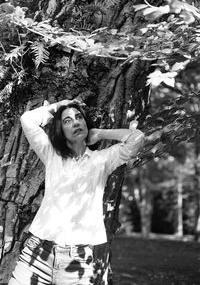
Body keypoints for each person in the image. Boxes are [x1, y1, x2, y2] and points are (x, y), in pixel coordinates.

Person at [8, 98, 145, 285]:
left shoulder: (102, 160)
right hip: (37, 255)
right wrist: (61, 104)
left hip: (80, 262)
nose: (76, 122)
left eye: (79, 117)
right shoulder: (51, 154)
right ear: (61, 131)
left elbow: (137, 138)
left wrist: (100, 133)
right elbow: (27, 119)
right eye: (67, 120)